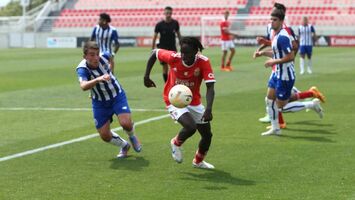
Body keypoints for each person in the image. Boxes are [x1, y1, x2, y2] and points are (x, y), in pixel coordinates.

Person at [144, 37, 215, 169]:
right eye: (182, 52)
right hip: (173, 99)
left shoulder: (203, 62)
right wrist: (146, 76)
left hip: (193, 100)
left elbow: (210, 87)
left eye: (187, 53)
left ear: (196, 52)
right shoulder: (174, 58)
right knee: (190, 127)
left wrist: (209, 109)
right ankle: (176, 143)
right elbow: (154, 52)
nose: (183, 56)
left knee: (207, 135)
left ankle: (198, 161)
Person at [254, 3, 325, 129]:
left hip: (283, 68)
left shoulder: (286, 30)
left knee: (278, 101)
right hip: (278, 66)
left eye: (275, 15)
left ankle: (278, 121)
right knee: (273, 98)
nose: (272, 19)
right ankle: (276, 121)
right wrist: (263, 48)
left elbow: (293, 47)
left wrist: (286, 61)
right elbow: (275, 45)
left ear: (281, 16)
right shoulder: (273, 29)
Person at [76, 41, 141, 158]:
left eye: (97, 54)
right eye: (91, 55)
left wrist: (112, 71)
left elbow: (111, 57)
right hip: (99, 102)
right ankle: (125, 146)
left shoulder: (105, 56)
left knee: (126, 123)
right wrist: (98, 79)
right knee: (105, 135)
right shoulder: (82, 69)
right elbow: (83, 86)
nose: (96, 57)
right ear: (84, 56)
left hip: (116, 95)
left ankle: (132, 136)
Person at [152, 6, 182, 82]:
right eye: (167, 13)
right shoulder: (159, 24)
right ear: (164, 13)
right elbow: (155, 37)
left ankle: (174, 82)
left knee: (174, 66)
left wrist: (182, 45)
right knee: (164, 67)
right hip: (163, 48)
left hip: (172, 47)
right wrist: (153, 48)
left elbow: (179, 35)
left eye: (170, 13)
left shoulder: (175, 23)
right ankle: (166, 84)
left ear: (171, 13)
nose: (168, 14)